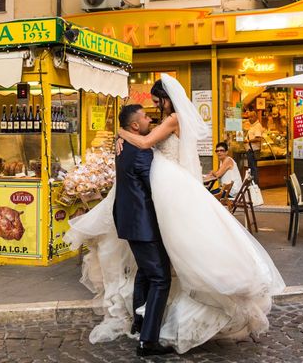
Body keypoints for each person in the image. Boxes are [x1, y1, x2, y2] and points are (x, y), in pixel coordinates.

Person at [64, 74, 285, 355]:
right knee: (161, 261)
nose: (156, 107)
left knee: (167, 260)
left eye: (158, 101)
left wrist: (121, 133)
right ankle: (146, 325)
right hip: (165, 186)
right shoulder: (164, 122)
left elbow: (145, 144)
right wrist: (126, 139)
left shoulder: (174, 119)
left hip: (169, 185)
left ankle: (147, 328)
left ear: (168, 99)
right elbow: (145, 140)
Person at [112, 104, 173, 357]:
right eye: (146, 117)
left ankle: (139, 324)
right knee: (161, 278)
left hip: (129, 221)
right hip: (143, 223)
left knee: (145, 274)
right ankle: (148, 342)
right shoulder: (141, 152)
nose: (151, 119)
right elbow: (155, 187)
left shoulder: (122, 145)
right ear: (135, 126)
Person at [245, 110, 264, 185]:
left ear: (256, 117)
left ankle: (255, 186)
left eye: (252, 117)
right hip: (250, 150)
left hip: (253, 151)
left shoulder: (257, 126)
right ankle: (253, 185)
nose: (250, 118)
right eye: (249, 117)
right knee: (252, 168)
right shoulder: (252, 126)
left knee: (253, 169)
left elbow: (258, 139)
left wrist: (248, 141)